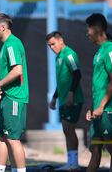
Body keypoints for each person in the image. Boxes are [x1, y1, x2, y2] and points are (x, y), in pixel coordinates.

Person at [0, 13, 29, 172]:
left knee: (13, 139)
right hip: (8, 97)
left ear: (3, 27)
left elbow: (17, 70)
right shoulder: (6, 45)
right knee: (7, 138)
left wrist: (0, 83)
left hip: (15, 97)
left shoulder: (12, 44)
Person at [85, 13, 112, 172]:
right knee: (94, 148)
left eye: (88, 28)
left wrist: (101, 106)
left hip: (109, 109)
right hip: (99, 109)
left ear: (96, 29)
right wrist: (93, 107)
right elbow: (98, 84)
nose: (87, 32)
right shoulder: (99, 51)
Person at [46, 31, 83, 170]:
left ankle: (74, 164)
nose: (51, 48)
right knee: (66, 130)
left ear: (61, 40)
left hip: (72, 99)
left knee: (69, 128)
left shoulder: (69, 54)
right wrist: (54, 98)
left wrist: (71, 94)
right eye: (49, 46)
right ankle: (71, 162)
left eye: (53, 44)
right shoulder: (58, 57)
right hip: (63, 100)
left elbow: (77, 75)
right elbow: (62, 81)